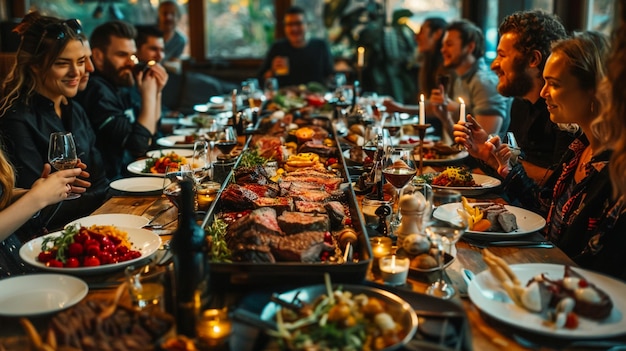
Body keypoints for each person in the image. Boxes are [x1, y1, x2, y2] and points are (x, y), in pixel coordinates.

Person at [473, 32, 625, 279]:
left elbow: (597, 267)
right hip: (545, 272)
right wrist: (501, 165)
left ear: (596, 89)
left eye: (554, 83)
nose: (543, 92)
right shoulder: (580, 148)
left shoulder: (615, 168)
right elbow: (544, 209)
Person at [0, 13, 107, 237]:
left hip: (95, 219)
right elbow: (38, 207)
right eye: (62, 64)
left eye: (79, 62)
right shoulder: (16, 118)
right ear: (35, 66)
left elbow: (98, 177)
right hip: (51, 235)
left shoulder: (75, 109)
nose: (76, 72)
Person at [454, 10, 575, 184]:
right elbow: (512, 175)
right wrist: (487, 154)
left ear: (533, 59)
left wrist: (498, 158)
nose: (494, 64)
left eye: (502, 55)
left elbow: (558, 185)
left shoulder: (565, 113)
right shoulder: (519, 104)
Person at [75, 20, 168, 180]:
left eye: (132, 55)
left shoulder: (119, 86)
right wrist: (148, 96)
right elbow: (139, 145)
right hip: (112, 184)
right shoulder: (96, 91)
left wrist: (156, 93)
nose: (131, 62)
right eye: (121, 55)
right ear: (98, 56)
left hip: (129, 176)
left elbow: (151, 136)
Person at [258, 6, 334, 88]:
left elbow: (330, 77)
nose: (294, 28)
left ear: (307, 25)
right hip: (284, 98)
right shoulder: (277, 47)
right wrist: (272, 70)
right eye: (289, 24)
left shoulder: (320, 46)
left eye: (298, 23)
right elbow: (260, 80)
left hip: (315, 98)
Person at [157, 0, 187, 73]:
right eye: (165, 13)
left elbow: (174, 64)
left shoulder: (180, 40)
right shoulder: (149, 35)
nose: (168, 17)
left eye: (173, 14)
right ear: (159, 15)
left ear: (178, 17)